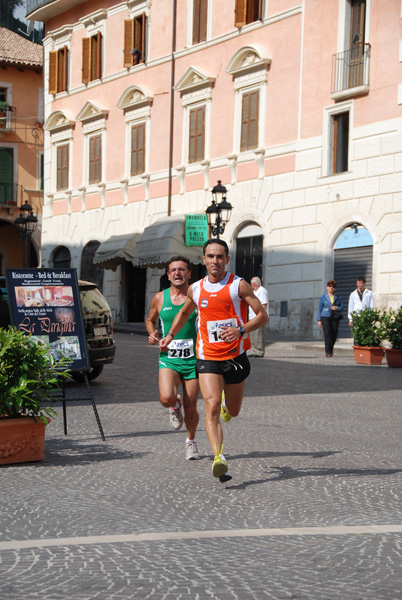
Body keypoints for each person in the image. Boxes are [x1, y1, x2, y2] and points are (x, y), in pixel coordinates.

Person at [159, 239, 268, 483]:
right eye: (210, 256)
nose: (215, 261)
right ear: (204, 259)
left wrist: (241, 329)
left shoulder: (238, 285)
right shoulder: (196, 288)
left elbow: (262, 316)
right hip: (207, 356)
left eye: (220, 256)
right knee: (210, 405)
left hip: (235, 356)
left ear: (227, 259)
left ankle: (227, 408)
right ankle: (219, 459)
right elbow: (185, 312)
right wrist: (169, 335)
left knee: (234, 410)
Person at [145, 255, 200, 461]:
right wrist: (152, 333)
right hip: (168, 357)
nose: (178, 273)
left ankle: (191, 442)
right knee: (166, 398)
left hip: (193, 359)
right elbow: (150, 319)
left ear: (189, 273)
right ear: (168, 275)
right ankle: (173, 405)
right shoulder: (160, 298)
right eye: (173, 270)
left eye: (182, 269)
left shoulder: (197, 296)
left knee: (191, 406)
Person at [317, 280, 343, 357]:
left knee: (334, 334)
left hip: (334, 317)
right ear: (327, 287)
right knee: (327, 334)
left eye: (333, 286)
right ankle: (328, 351)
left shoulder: (338, 297)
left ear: (335, 288)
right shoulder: (323, 297)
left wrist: (336, 307)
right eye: (330, 286)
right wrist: (319, 319)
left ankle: (330, 348)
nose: (331, 288)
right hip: (325, 316)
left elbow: (342, 307)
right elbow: (319, 308)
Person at [248, 277, 269, 357]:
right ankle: (253, 350)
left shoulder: (262, 290)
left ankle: (259, 351)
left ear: (254, 284)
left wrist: (260, 315)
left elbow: (264, 304)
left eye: (251, 284)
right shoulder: (254, 292)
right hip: (252, 316)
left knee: (259, 334)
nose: (251, 285)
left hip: (259, 317)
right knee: (253, 334)